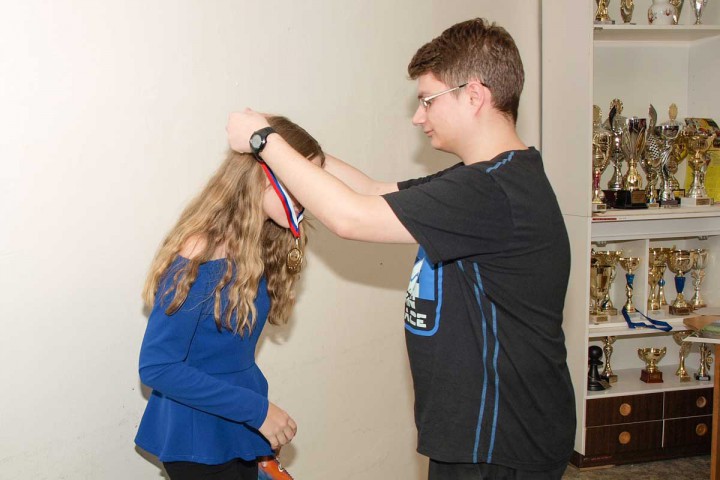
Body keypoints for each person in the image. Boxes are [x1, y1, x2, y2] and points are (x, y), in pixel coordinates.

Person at [226, 17, 575, 480]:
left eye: (428, 100)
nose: (418, 117)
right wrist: (298, 148)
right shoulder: (484, 179)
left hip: (501, 442)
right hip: (483, 435)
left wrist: (264, 142)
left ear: (474, 95)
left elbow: (351, 217)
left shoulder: (492, 191)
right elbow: (372, 191)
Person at [135, 115, 325, 480]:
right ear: (262, 177)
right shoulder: (201, 252)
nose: (309, 195)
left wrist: (257, 415)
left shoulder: (262, 244)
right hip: (199, 438)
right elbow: (158, 367)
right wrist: (258, 411)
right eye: (298, 179)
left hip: (239, 425)